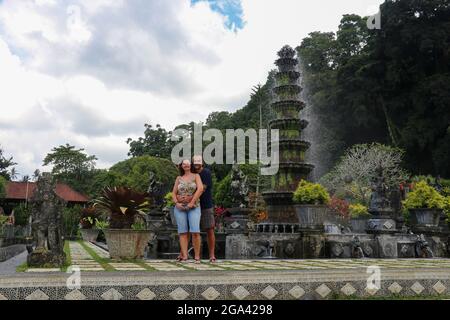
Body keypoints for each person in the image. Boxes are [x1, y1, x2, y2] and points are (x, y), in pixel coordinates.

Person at [172, 159, 203, 263]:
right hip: (180, 207)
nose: (186, 165)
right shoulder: (179, 178)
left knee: (195, 231)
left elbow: (200, 189)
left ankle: (197, 257)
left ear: (191, 165)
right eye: (183, 164)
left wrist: (192, 202)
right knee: (183, 232)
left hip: (194, 206)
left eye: (188, 163)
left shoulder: (196, 176)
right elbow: (173, 193)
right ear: (181, 166)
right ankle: (185, 256)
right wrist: (177, 203)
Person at [192, 155, 217, 263]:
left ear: (202, 163)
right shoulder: (190, 173)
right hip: (193, 206)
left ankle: (212, 254)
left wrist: (191, 198)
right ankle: (187, 254)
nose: (196, 164)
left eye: (199, 162)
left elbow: (202, 189)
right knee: (191, 230)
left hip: (205, 205)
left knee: (210, 229)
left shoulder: (206, 173)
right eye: (195, 162)